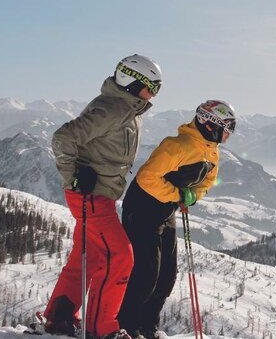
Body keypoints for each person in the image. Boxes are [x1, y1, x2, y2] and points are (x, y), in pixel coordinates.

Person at [35, 55, 163, 339]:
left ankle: (59, 318)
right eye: (152, 87)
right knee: (120, 256)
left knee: (88, 256)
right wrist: (73, 176)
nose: (154, 94)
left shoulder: (128, 110)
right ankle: (102, 329)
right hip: (90, 196)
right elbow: (63, 138)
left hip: (99, 196)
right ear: (133, 82)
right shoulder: (112, 108)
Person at [117, 99, 236, 339]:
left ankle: (148, 327)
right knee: (146, 273)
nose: (227, 137)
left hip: (165, 210)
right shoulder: (177, 146)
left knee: (166, 277)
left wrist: (192, 196)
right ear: (210, 124)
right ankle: (126, 326)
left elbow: (207, 181)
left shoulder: (211, 150)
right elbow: (146, 178)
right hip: (142, 208)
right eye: (226, 130)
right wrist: (179, 195)